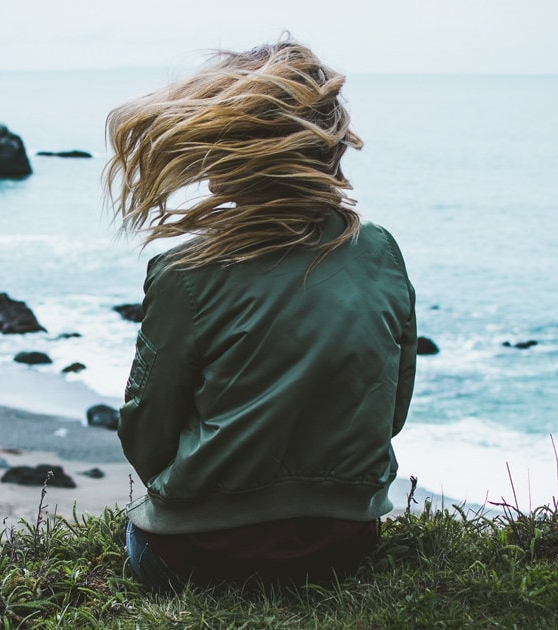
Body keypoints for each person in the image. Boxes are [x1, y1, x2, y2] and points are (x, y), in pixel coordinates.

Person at [104, 38, 418, 591]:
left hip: (193, 555)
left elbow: (147, 428)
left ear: (248, 151)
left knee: (141, 540)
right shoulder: (379, 251)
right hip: (343, 546)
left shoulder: (186, 270)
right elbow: (391, 406)